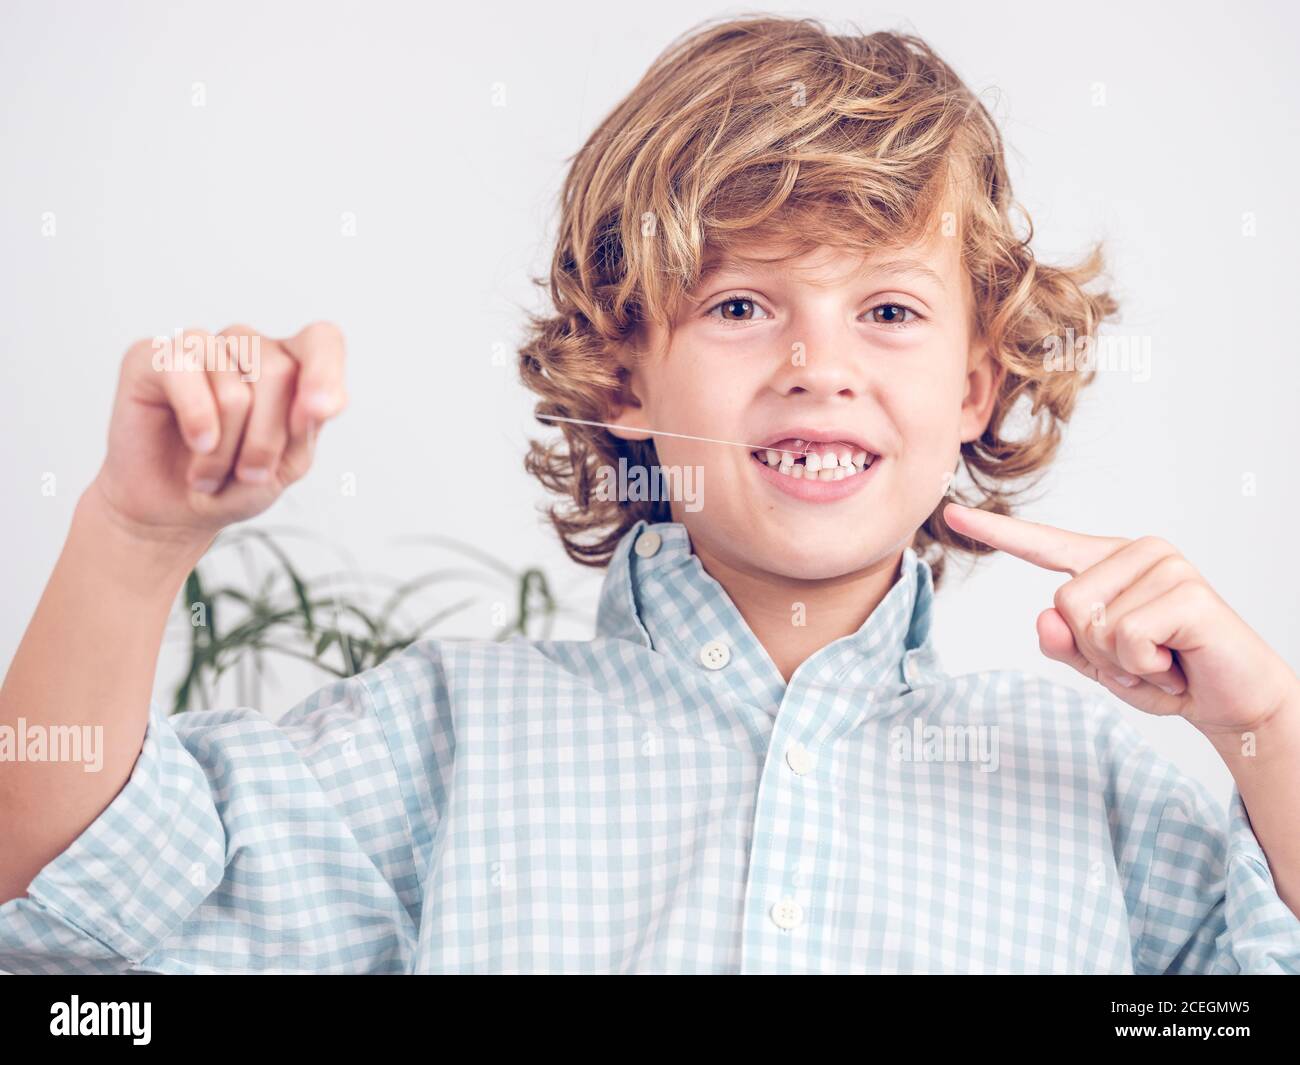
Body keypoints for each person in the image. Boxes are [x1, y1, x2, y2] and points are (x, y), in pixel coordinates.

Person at [2, 14, 1298, 974]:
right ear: (623, 365)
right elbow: (67, 920)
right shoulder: (436, 746)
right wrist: (135, 535)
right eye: (741, 304)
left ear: (976, 383)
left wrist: (1267, 729)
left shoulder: (1094, 792)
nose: (819, 367)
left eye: (889, 309)